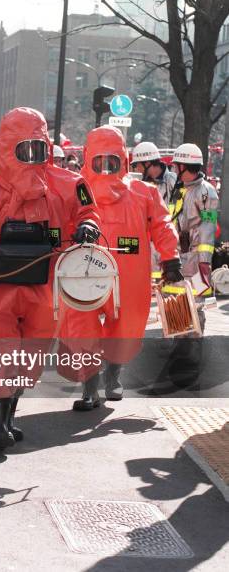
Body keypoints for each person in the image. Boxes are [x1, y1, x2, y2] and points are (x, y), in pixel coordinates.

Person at [0, 107, 100, 451]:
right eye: (22, 147)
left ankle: (9, 416)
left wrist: (89, 226)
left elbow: (88, 209)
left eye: (36, 147)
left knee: (31, 356)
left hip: (44, 286)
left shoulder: (68, 184)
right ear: (7, 147)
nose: (30, 156)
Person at [62, 126, 181, 409]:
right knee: (81, 329)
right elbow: (58, 223)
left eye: (111, 161)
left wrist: (171, 258)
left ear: (124, 160)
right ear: (87, 158)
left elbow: (162, 226)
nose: (105, 168)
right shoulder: (76, 191)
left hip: (129, 276)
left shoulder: (143, 193)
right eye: (98, 161)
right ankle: (90, 387)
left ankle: (113, 378)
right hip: (84, 273)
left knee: (125, 328)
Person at [162, 143, 219, 378]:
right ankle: (179, 354)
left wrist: (203, 262)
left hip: (196, 260)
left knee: (195, 308)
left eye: (177, 165)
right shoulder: (180, 188)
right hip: (178, 257)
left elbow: (207, 227)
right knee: (176, 305)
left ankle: (192, 360)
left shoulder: (206, 192)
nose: (175, 169)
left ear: (187, 165)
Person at [131, 141, 177, 281]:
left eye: (138, 165)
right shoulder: (140, 184)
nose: (137, 169)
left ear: (148, 163)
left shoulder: (173, 181)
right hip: (147, 240)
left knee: (166, 282)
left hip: (166, 239)